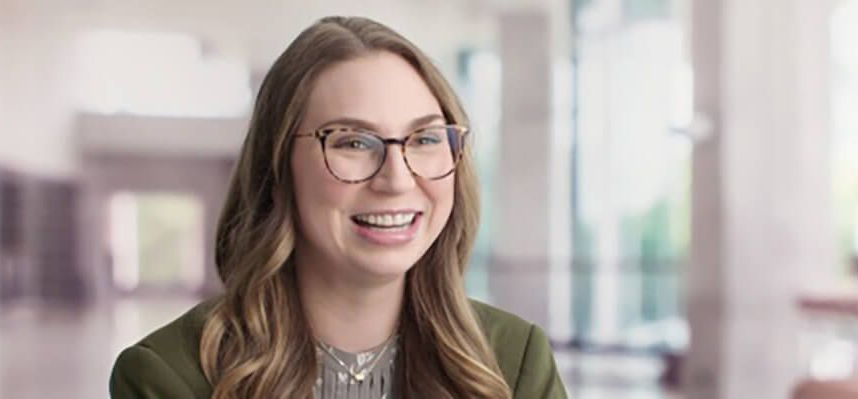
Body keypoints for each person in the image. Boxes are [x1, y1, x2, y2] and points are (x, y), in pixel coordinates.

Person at [109, 16, 567, 399]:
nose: (397, 179)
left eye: (424, 138)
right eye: (353, 141)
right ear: (278, 167)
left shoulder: (515, 363)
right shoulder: (170, 376)